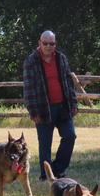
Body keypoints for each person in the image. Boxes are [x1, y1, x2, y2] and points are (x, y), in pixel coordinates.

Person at [23, 30, 79, 181]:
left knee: (70, 136)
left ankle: (59, 170)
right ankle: (46, 175)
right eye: (45, 43)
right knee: (45, 145)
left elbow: (69, 83)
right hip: (42, 109)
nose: (48, 46)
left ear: (55, 44)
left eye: (51, 43)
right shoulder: (31, 61)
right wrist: (33, 112)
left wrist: (73, 104)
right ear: (39, 43)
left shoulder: (61, 58)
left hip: (63, 107)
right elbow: (28, 89)